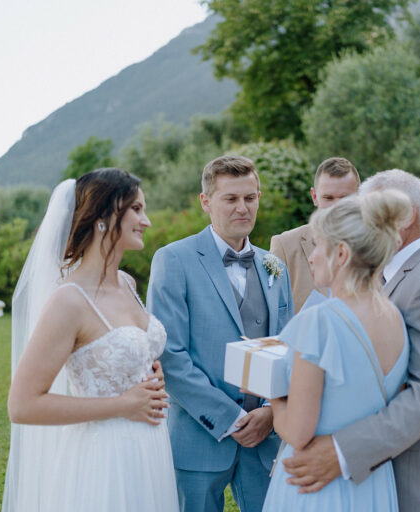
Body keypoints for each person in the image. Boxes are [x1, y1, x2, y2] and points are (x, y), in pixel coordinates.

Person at [278, 169, 420, 511]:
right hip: (377, 479)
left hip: (414, 481)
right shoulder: (390, 280)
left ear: (404, 217)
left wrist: (341, 450)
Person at [3, 168, 178, 511]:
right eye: (137, 210)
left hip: (150, 445)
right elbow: (22, 405)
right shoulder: (68, 300)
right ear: (104, 216)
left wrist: (150, 371)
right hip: (104, 457)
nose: (147, 221)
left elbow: (123, 354)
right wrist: (124, 404)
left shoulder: (127, 283)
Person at [148, 155, 294, 512]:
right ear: (206, 202)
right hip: (199, 437)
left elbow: (289, 348)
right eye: (230, 199)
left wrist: (271, 412)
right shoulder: (173, 260)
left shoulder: (275, 267)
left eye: (250, 197)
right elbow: (170, 357)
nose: (242, 208)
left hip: (265, 439)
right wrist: (230, 418)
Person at [263, 189, 412, 511]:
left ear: (341, 254)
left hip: (316, 487)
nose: (312, 255)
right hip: (370, 480)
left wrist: (273, 396)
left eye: (318, 245)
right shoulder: (394, 317)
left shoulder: (319, 321)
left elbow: (298, 431)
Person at [270, 157, 360, 311]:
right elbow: (272, 310)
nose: (336, 207)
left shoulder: (375, 245)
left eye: (345, 199)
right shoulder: (284, 246)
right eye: (328, 198)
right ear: (314, 197)